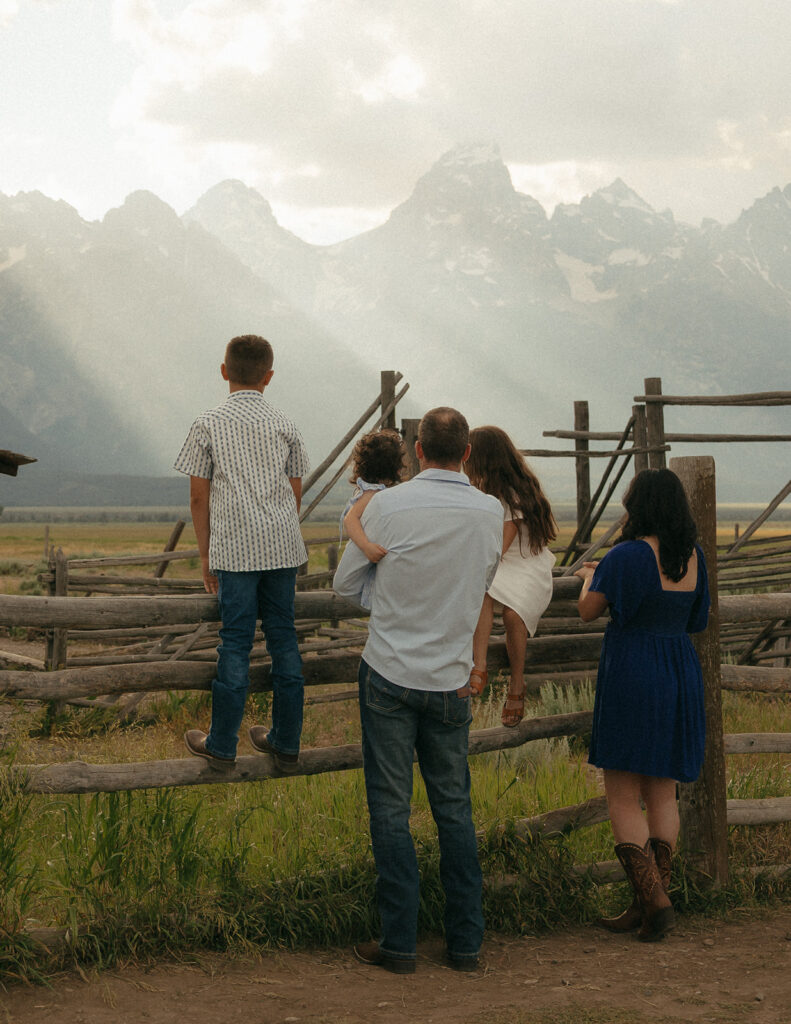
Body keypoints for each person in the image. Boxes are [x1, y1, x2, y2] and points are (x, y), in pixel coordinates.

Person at [333, 407, 503, 974]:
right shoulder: (489, 513)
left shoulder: (387, 506)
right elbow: (482, 587)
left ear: (419, 450)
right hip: (452, 678)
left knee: (391, 809)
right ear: (467, 453)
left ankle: (399, 943)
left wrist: (389, 596)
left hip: (389, 669)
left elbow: (346, 583)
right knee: (454, 810)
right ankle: (466, 944)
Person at [575, 468, 710, 942]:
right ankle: (648, 904)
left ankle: (655, 902)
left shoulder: (625, 555)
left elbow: (588, 611)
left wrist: (589, 578)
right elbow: (697, 620)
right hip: (679, 669)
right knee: (662, 793)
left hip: (633, 671)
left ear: (640, 506)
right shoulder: (693, 557)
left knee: (621, 793)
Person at [175, 334, 310, 775]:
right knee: (283, 638)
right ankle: (286, 742)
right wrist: (278, 530)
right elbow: (295, 492)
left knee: (234, 643)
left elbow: (199, 497)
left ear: (224, 371)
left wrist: (205, 556)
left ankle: (221, 745)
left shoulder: (207, 423)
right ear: (269, 376)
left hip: (234, 551)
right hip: (283, 548)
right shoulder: (286, 423)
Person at [465, 426, 557, 726]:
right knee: (484, 591)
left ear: (484, 458)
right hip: (504, 564)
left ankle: (517, 683)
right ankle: (479, 664)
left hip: (526, 564)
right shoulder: (486, 492)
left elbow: (498, 549)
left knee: (513, 616)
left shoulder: (514, 496)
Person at [340, 429, 405, 607]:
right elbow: (350, 519)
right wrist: (366, 546)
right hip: (368, 545)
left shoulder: (375, 492)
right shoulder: (372, 493)